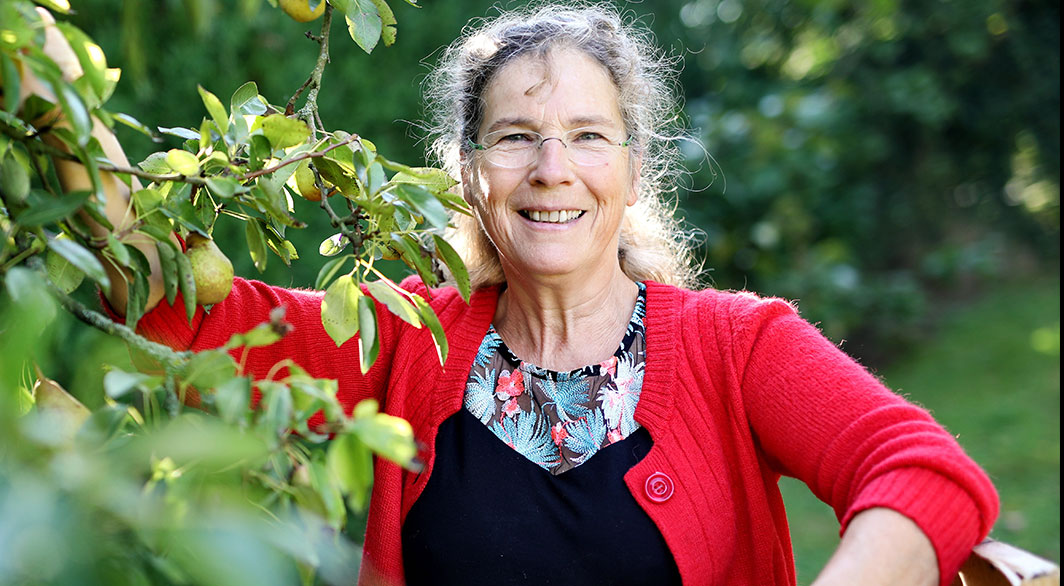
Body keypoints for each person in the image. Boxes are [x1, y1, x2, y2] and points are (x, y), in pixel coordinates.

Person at [78, 3, 999, 584]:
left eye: (588, 136)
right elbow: (172, 308)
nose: (552, 170)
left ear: (632, 172)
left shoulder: (736, 346)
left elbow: (927, 475)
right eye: (516, 136)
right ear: (469, 174)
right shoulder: (406, 339)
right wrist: (55, 95)